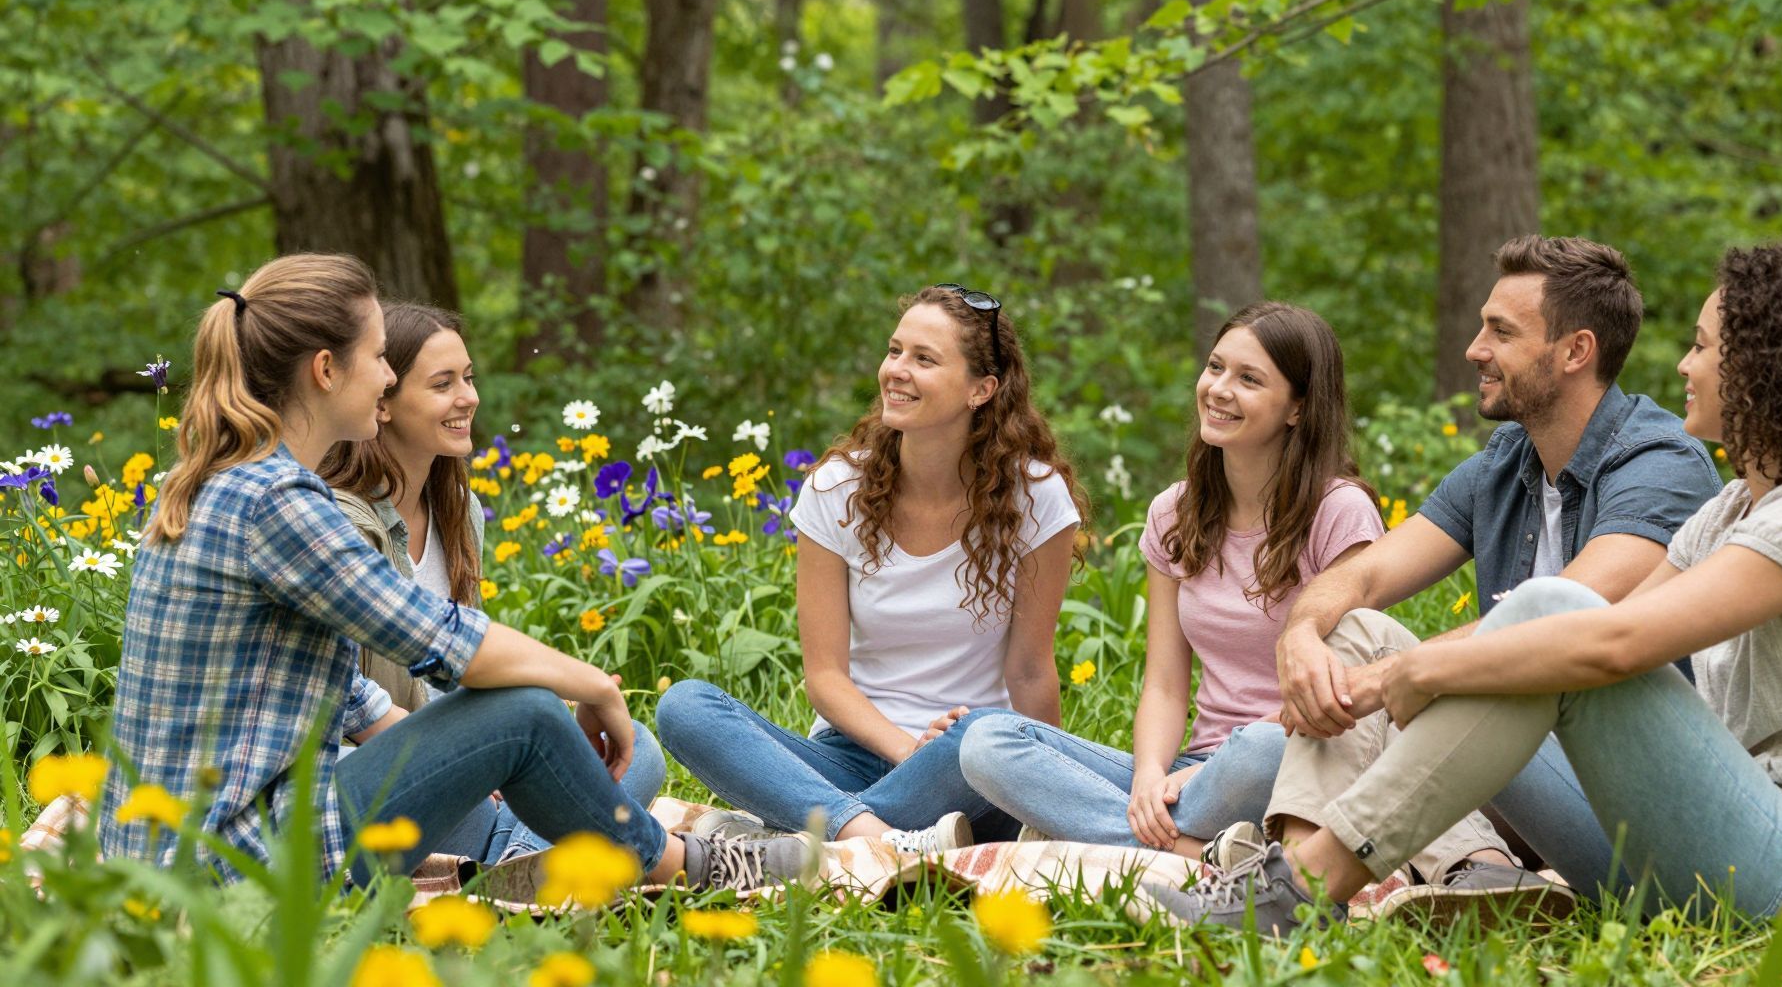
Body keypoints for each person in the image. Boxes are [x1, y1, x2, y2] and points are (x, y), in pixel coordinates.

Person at [1141, 242, 1782, 932]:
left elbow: (1614, 637)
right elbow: (1385, 585)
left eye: (1701, 347)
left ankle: (1300, 889)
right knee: (1390, 633)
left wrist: (1414, 674)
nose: (1685, 365)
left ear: (1768, 371)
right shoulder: (1730, 508)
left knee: (1549, 615)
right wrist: (1313, 638)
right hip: (1682, 859)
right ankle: (1292, 872)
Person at [99, 255, 714, 892]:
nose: (387, 376)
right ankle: (684, 866)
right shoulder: (275, 500)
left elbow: (345, 690)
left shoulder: (236, 481)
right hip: (231, 867)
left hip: (190, 852)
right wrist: (594, 686)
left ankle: (528, 864)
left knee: (580, 738)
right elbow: (446, 641)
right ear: (326, 370)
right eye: (380, 358)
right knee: (529, 715)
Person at [1240, 236, 1721, 910]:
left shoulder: (1661, 465)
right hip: (1500, 776)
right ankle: (1312, 888)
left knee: (1437, 665)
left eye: (1500, 331)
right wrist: (1300, 640)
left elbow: (1560, 613)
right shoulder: (1506, 462)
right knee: (1353, 633)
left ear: (1575, 351)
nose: (1474, 349)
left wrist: (1390, 679)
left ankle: (1299, 887)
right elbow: (1366, 578)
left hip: (1622, 798)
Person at [962, 303, 1514, 877]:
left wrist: (1200, 775)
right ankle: (1204, 850)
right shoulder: (1173, 512)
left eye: (1249, 379)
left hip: (1293, 756)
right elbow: (1165, 683)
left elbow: (1346, 684)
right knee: (987, 741)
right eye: (1215, 367)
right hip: (1194, 769)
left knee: (1256, 751)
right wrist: (1151, 776)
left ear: (1298, 407)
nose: (1219, 389)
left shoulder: (1338, 510)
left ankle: (1113, 833)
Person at [657, 285, 1084, 856]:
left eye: (924, 359)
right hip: (850, 755)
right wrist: (910, 753)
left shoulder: (1036, 498)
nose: (897, 371)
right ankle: (874, 840)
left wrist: (1040, 789)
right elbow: (826, 677)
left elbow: (1031, 673)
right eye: (895, 351)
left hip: (966, 764)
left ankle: (799, 836)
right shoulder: (837, 491)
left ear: (981, 390)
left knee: (980, 742)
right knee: (684, 707)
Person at [316, 302, 664, 864]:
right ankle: (529, 863)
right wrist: (475, 751)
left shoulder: (459, 511)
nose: (469, 397)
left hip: (458, 761)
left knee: (635, 750)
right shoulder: (338, 522)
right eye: (443, 383)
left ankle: (512, 862)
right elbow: (340, 700)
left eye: (469, 378)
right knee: (564, 767)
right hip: (369, 775)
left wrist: (506, 737)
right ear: (384, 399)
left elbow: (459, 672)